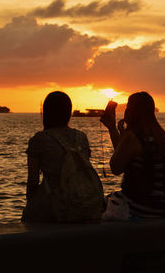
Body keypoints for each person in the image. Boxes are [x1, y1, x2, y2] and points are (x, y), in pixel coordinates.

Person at [22, 91, 104, 223]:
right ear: (68, 113)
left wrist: (31, 207)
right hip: (86, 203)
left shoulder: (40, 139)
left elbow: (32, 181)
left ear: (46, 113)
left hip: (56, 207)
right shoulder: (81, 137)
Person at [101, 92, 165, 218]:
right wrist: (112, 128)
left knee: (95, 204)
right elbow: (124, 158)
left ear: (133, 111)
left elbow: (116, 167)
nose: (126, 110)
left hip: (143, 205)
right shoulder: (161, 135)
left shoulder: (135, 136)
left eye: (128, 106)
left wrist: (117, 131)